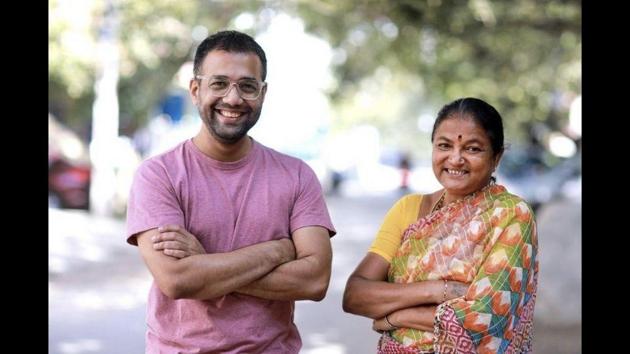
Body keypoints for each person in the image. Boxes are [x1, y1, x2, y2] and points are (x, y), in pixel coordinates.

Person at [126, 30, 336, 353]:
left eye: (247, 86)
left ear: (263, 94)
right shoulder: (159, 175)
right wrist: (277, 252)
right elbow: (177, 280)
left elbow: (315, 280)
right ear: (196, 90)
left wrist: (205, 264)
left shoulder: (297, 176)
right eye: (219, 83)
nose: (234, 98)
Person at [343, 97, 538, 353]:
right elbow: (355, 296)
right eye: (444, 145)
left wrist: (395, 318)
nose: (455, 159)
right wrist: (438, 291)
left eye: (473, 149)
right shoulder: (408, 209)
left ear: (497, 157)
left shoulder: (511, 215)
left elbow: (488, 319)